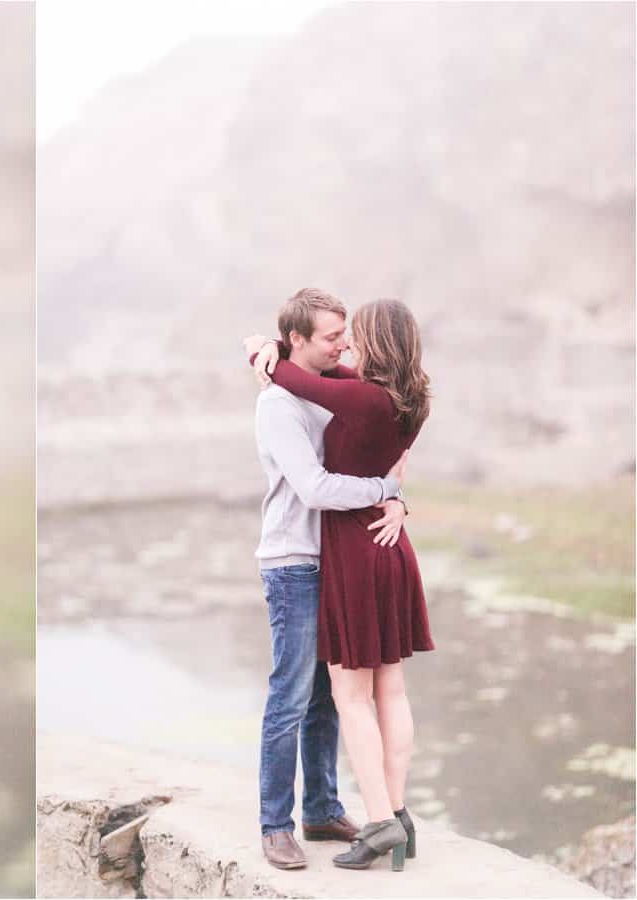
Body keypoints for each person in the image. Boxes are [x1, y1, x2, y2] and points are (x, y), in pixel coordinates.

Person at [246, 296, 434, 872]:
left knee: (332, 697)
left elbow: (368, 457)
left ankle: (324, 808)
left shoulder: (341, 393)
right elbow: (315, 488)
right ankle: (276, 825)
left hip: (347, 557)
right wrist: (387, 493)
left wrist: (392, 495)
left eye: (348, 335)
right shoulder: (283, 404)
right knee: (293, 695)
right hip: (296, 558)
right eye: (331, 336)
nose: (343, 344)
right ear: (298, 337)